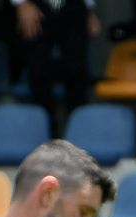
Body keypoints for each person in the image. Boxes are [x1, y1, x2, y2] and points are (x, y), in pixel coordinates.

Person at [14, 0, 101, 133]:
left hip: (73, 6)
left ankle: (79, 136)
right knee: (38, 73)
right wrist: (21, 3)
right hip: (35, 5)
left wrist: (89, 7)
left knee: (77, 72)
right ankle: (43, 138)